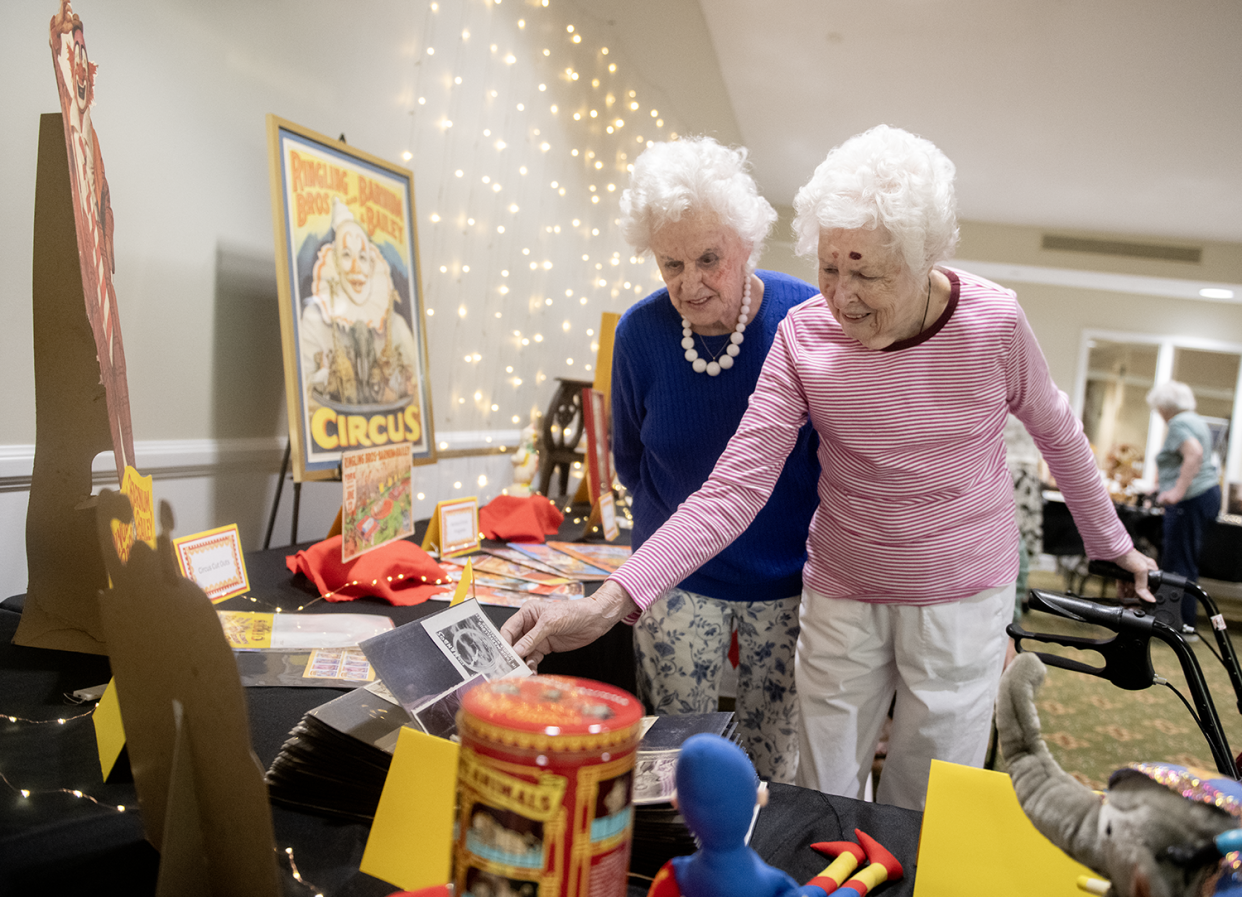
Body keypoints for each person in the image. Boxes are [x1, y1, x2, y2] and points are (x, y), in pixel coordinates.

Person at [502, 124, 1155, 811]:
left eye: (866, 270)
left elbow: (1057, 430)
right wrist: (610, 601)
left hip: (960, 589)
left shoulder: (993, 324)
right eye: (828, 267)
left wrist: (1112, 544)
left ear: (924, 256)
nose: (841, 297)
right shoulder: (804, 335)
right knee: (819, 789)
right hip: (844, 587)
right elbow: (733, 487)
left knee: (922, 792)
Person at [609, 137, 821, 782]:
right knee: (676, 756)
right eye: (670, 263)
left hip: (787, 578)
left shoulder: (805, 317)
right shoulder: (639, 334)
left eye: (709, 259)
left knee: (772, 761)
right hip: (674, 577)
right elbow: (629, 459)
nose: (688, 283)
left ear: (747, 245)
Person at [300, 198, 419, 409]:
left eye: (362, 257)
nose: (356, 267)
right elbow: (304, 399)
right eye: (346, 255)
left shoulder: (398, 325)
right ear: (334, 262)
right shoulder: (313, 320)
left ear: (372, 266)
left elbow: (418, 396)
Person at [1147, 380, 1222, 637]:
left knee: (1178, 561)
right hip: (1205, 495)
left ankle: (1180, 625)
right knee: (1186, 559)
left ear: (1165, 407)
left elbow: (1194, 454)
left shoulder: (1179, 423)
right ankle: (1181, 623)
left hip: (1190, 499)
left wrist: (1176, 492)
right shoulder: (1196, 420)